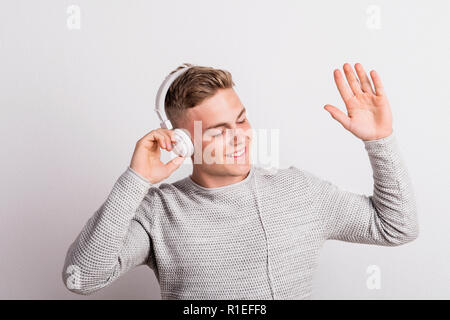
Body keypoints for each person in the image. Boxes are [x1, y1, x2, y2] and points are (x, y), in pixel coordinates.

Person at [61, 62, 419, 299]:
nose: (239, 137)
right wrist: (136, 179)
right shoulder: (158, 212)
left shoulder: (300, 192)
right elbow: (82, 277)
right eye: (217, 131)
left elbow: (397, 227)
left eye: (241, 119)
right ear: (182, 142)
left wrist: (379, 141)